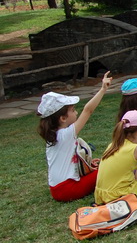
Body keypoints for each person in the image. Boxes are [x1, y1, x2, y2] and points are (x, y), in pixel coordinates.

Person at [36, 72, 112, 202]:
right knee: (110, 167)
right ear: (63, 118)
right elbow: (88, 110)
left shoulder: (53, 136)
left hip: (56, 190)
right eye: (72, 110)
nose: (76, 112)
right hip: (68, 189)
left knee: (101, 166)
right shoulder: (65, 134)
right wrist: (103, 89)